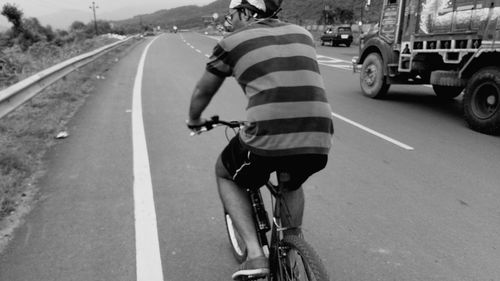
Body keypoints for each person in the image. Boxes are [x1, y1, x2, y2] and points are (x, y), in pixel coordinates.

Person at [187, 0, 334, 279]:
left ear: (245, 12)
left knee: (225, 174)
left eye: (232, 14)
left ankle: (255, 255)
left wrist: (194, 120)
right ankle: (291, 249)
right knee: (291, 182)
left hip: (267, 135)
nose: (230, 21)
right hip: (319, 134)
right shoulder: (303, 33)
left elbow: (203, 93)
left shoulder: (232, 42)